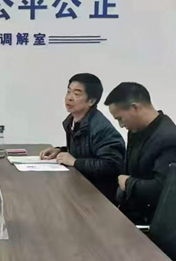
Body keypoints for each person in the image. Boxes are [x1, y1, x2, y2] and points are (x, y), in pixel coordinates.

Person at [104, 82, 176, 224]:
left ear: (134, 108)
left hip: (155, 220)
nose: (121, 125)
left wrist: (128, 183)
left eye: (120, 119)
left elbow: (162, 190)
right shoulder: (137, 130)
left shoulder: (169, 139)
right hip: (135, 209)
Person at [40, 73, 125, 202]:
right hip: (80, 188)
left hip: (98, 197)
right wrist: (60, 150)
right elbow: (84, 151)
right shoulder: (73, 121)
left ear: (91, 101)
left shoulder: (101, 128)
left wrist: (75, 162)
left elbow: (111, 165)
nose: (69, 98)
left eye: (77, 94)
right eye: (68, 92)